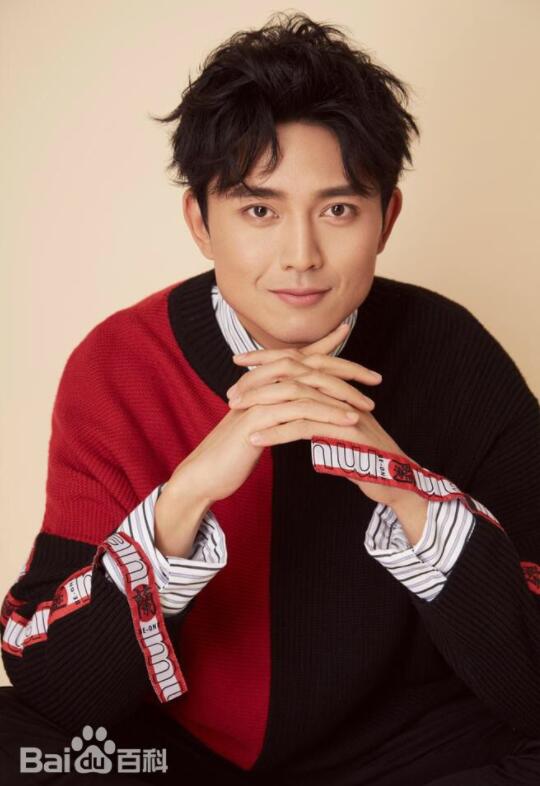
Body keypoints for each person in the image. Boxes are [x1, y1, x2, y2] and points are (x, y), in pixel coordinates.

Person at [1, 11, 539, 786]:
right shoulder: (118, 363)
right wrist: (186, 498)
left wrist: (404, 488)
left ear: (386, 219)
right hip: (182, 757)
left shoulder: (455, 353)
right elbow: (51, 684)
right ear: (200, 221)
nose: (301, 256)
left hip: (409, 756)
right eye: (259, 210)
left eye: (338, 210)